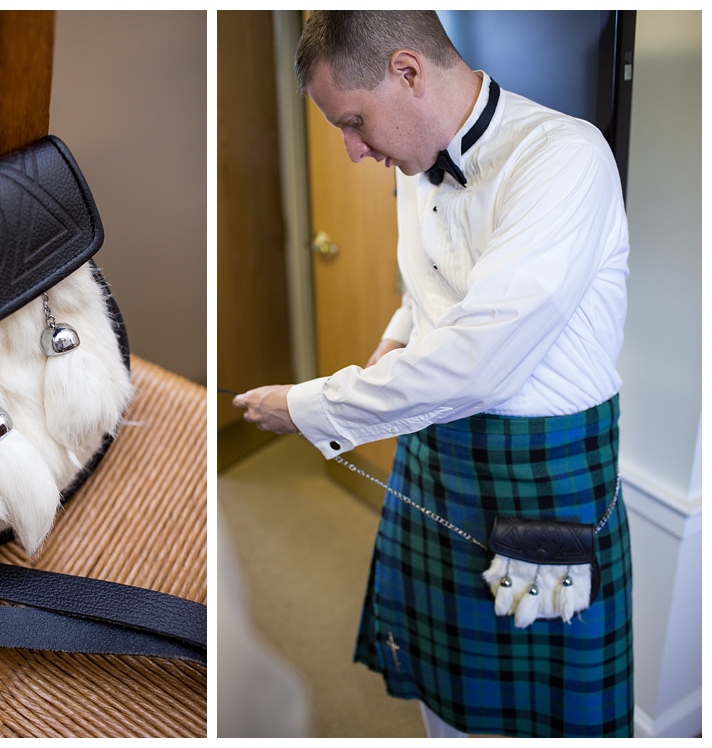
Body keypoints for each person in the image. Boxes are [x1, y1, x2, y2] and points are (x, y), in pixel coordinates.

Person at [232, 10, 633, 739]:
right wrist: (394, 340)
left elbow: (480, 359)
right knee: (444, 703)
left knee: (543, 717)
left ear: (408, 73)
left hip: (542, 486)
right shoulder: (418, 164)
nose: (353, 151)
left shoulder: (565, 160)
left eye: (354, 122)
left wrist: (309, 405)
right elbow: (431, 290)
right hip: (436, 458)